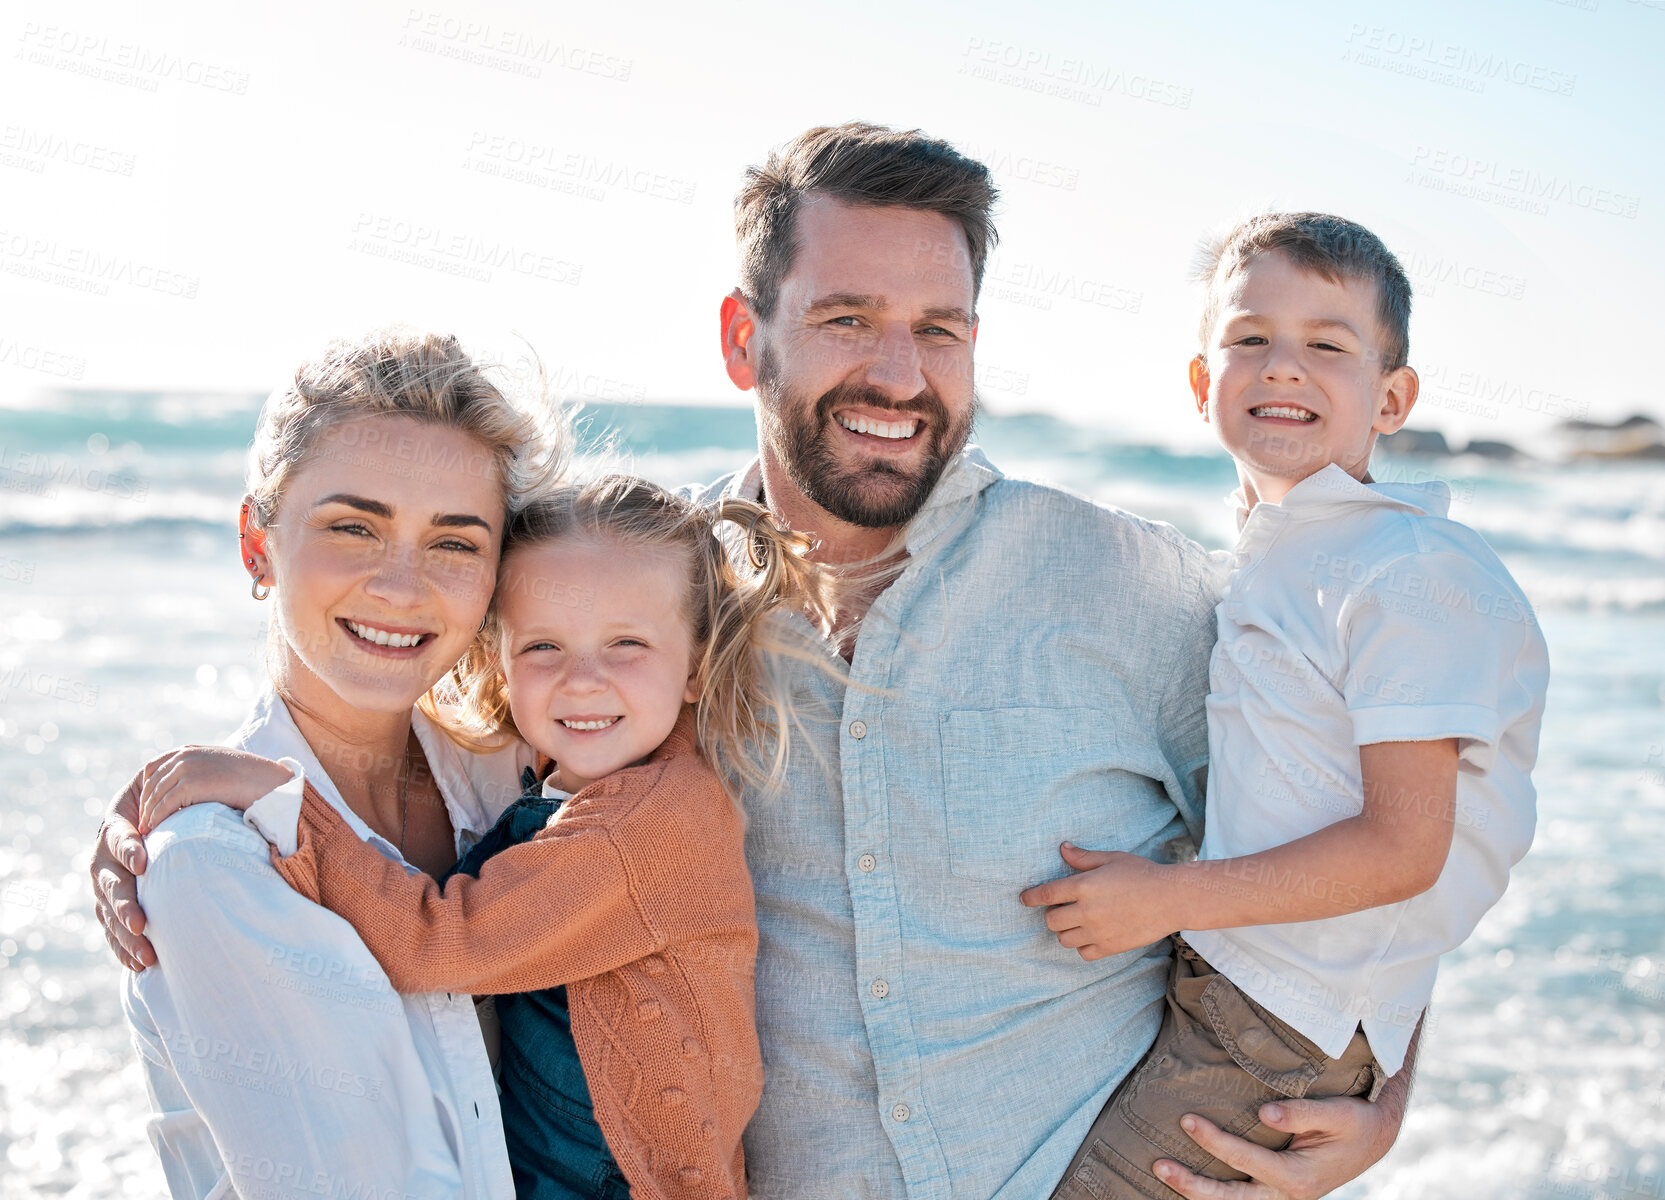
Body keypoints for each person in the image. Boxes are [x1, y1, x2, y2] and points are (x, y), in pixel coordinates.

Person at [96, 124, 1414, 1199]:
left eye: (939, 329)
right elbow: (402, 681)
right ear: (744, 339)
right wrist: (185, 814)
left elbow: (1370, 837)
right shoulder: (642, 608)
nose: (898, 373)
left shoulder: (1140, 588)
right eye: (846, 319)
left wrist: (1385, 1096)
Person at [1021, 213, 1549, 1198]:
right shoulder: (1280, 559)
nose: (1285, 366)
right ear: (1199, 382)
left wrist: (1164, 899)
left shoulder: (1404, 571)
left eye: (1329, 345)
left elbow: (1408, 852)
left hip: (1274, 1026)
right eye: (1251, 338)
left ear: (1393, 399)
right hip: (1251, 996)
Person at [139, 475, 839, 1200]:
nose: (582, 682)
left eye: (626, 643)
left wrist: (285, 800)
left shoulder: (646, 829)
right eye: (543, 647)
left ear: (694, 666)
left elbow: (437, 945)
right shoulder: (579, 769)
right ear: (500, 667)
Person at [114, 327, 564, 1197]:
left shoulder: (511, 776)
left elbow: (652, 567)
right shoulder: (214, 866)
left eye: (455, 541)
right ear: (257, 544)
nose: (402, 585)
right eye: (354, 527)